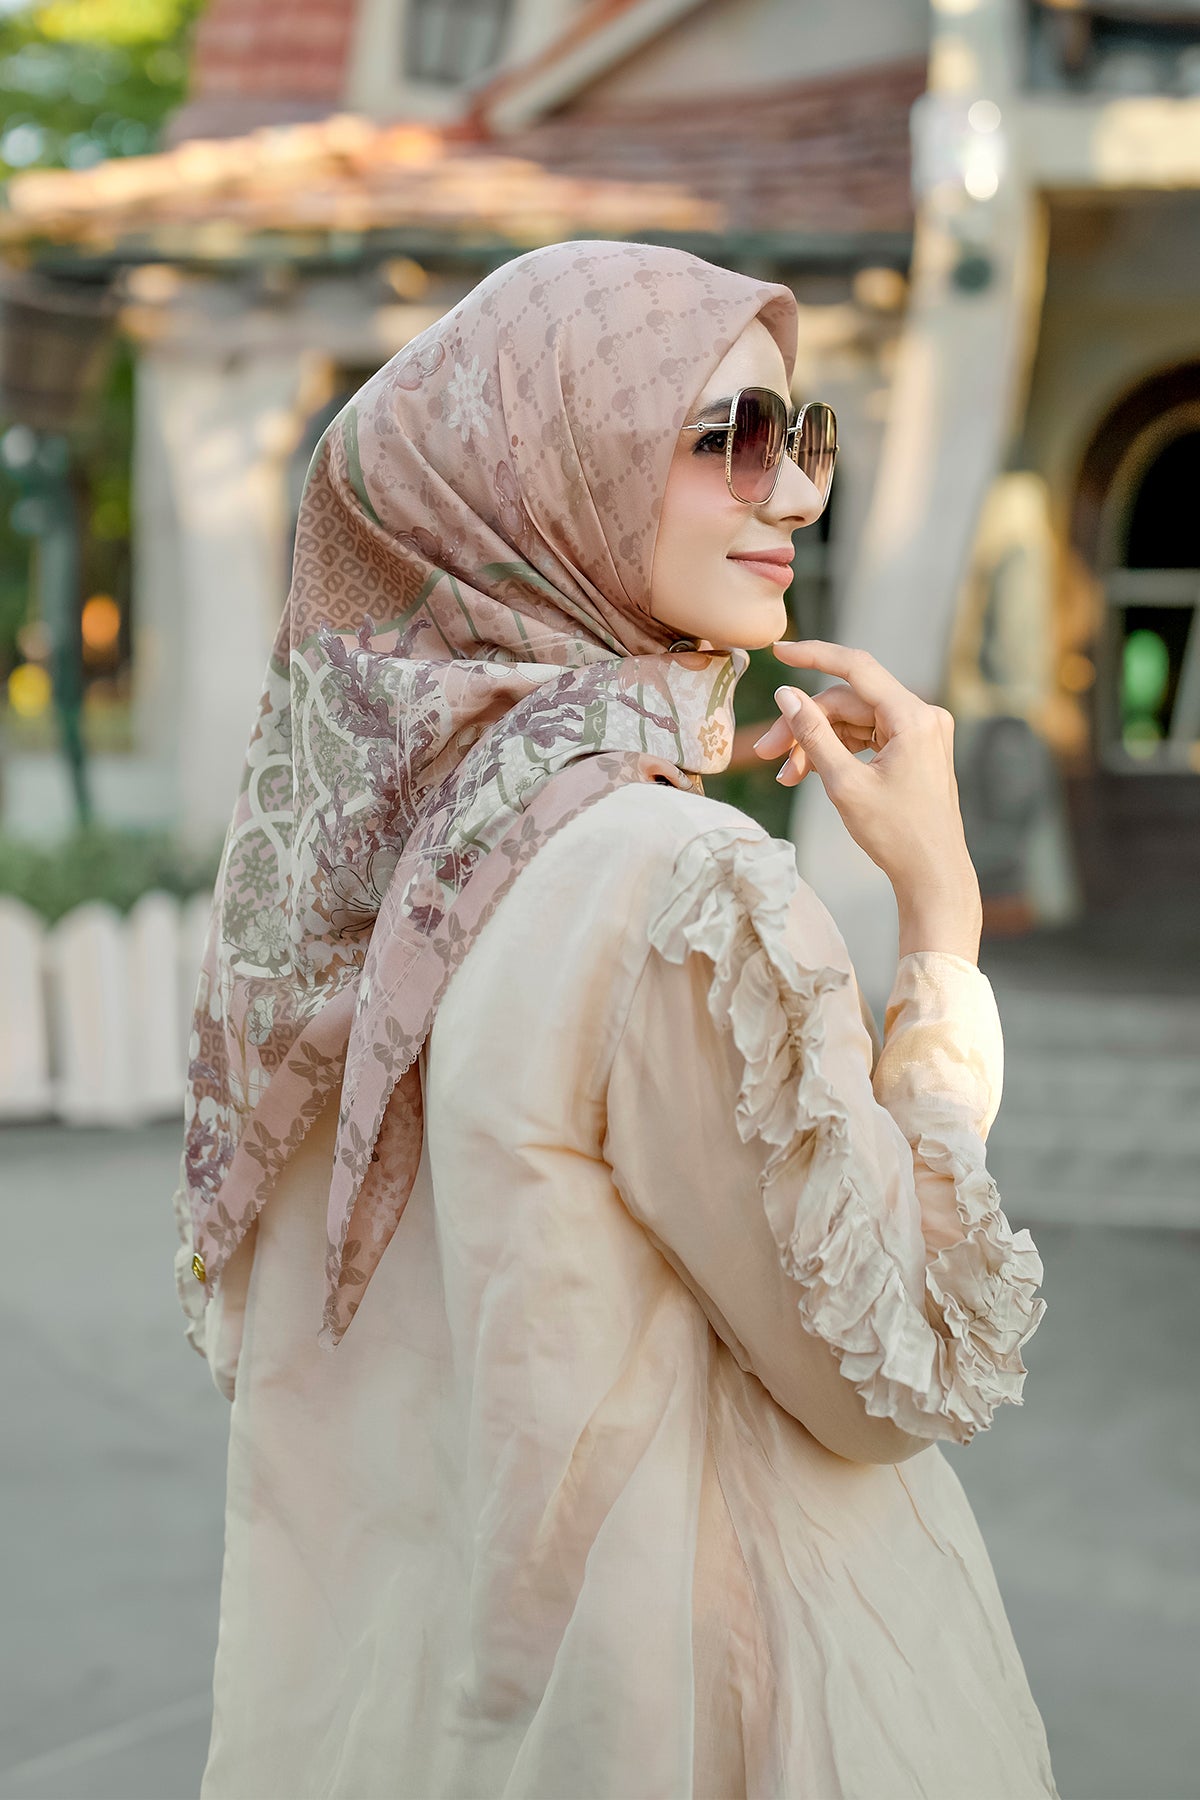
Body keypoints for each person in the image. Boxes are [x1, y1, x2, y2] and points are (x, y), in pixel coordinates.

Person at [174, 240, 1058, 1799]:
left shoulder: (398, 858)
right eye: (733, 437)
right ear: (553, 470)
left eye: (806, 436)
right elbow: (905, 1365)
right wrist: (944, 924)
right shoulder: (679, 886)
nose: (797, 497)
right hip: (725, 1712)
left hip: (476, 1710)